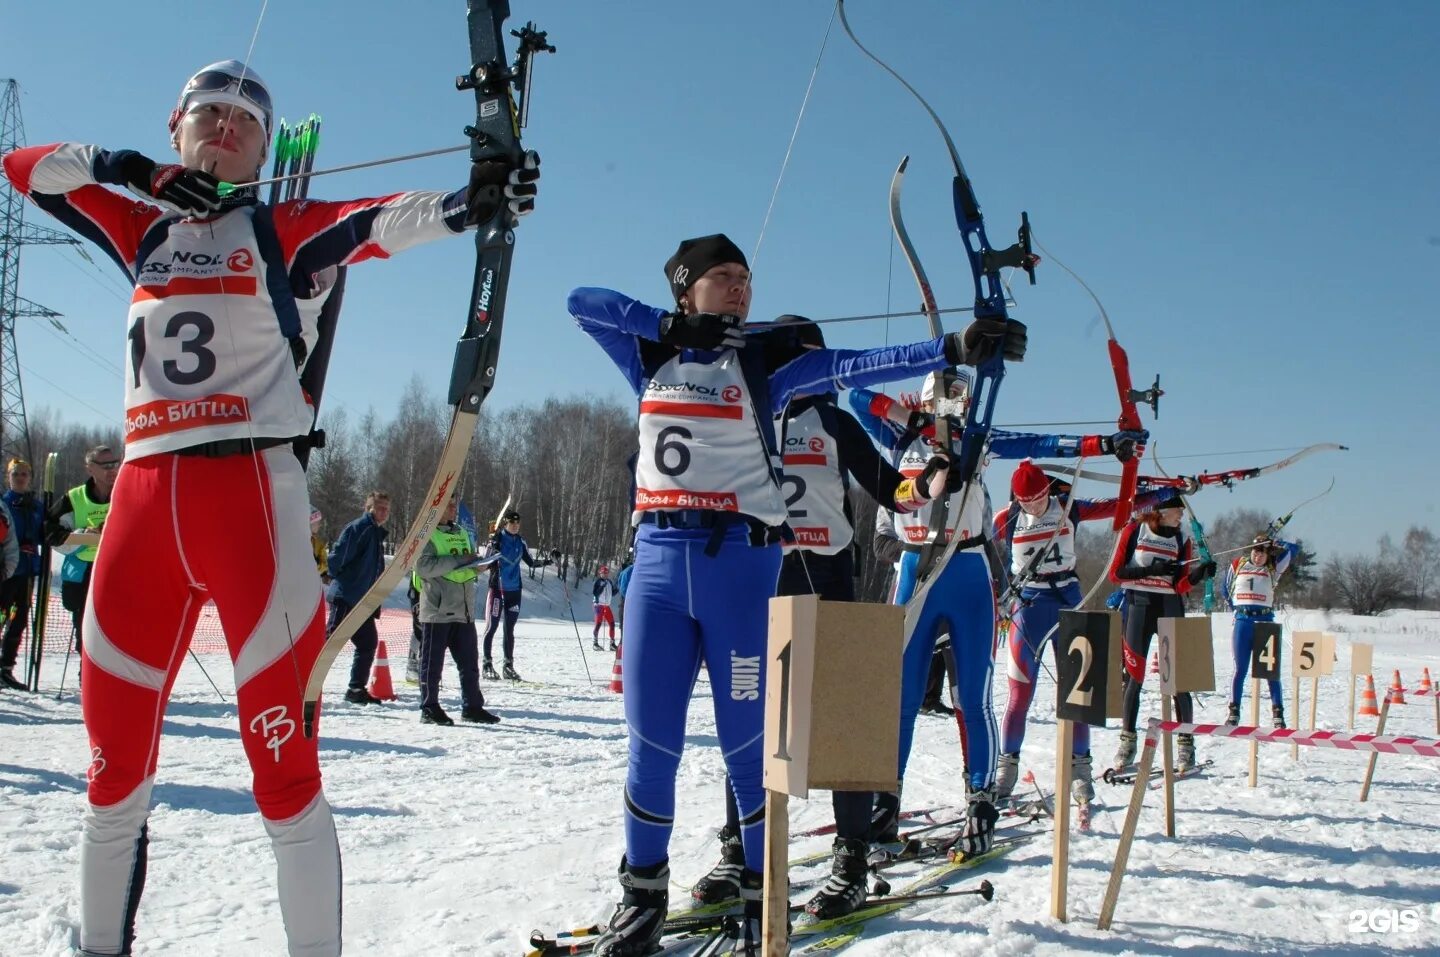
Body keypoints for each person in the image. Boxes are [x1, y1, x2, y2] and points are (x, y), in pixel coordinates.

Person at [2, 56, 539, 956]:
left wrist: (474, 198)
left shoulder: (280, 226)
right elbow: (22, 167)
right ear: (176, 128)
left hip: (253, 510)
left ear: (263, 149)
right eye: (208, 114)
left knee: (286, 783)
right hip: (139, 514)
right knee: (111, 785)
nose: (227, 127)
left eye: (246, 121)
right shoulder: (137, 222)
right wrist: (136, 170)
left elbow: (376, 223)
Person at [568, 233, 1022, 956]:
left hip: (756, 571)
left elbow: (860, 369)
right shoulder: (653, 355)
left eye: (748, 278)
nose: (742, 287)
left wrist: (954, 350)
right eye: (724, 277)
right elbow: (581, 304)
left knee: (758, 743)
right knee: (651, 746)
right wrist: (665, 326)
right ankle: (643, 893)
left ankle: (770, 881)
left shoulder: (779, 379)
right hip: (659, 561)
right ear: (688, 288)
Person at [689, 317, 951, 921]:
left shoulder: (834, 422)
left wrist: (933, 477)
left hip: (827, 577)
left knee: (843, 719)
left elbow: (893, 489)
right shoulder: (746, 417)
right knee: (750, 719)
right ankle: (740, 849)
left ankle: (852, 856)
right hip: (759, 582)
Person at [851, 376, 1144, 856]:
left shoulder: (976, 439)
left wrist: (1107, 444)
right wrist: (909, 418)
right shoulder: (900, 436)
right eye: (944, 398)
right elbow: (858, 400)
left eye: (961, 398)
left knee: (973, 696)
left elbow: (1041, 443)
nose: (955, 406)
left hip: (966, 570)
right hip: (915, 568)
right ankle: (886, 800)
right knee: (900, 696)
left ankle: (981, 801)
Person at [991, 460, 1178, 807]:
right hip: (1027, 606)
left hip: (1067, 601)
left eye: (1037, 499)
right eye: (1024, 501)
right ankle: (1006, 769)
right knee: (1019, 693)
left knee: (1077, 693)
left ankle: (1080, 771)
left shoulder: (1069, 508)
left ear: (1048, 490)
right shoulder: (1006, 519)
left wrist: (1162, 495)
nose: (1031, 506)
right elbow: (981, 548)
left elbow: (1117, 507)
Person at [1107, 497, 1218, 773]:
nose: (1181, 516)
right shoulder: (1135, 531)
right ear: (1161, 512)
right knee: (1133, 677)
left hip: (1169, 605)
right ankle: (1128, 740)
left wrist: (1198, 575)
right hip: (1139, 605)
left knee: (1179, 680)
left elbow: (1179, 584)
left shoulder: (1181, 540)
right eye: (1177, 512)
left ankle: (1185, 744)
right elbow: (1115, 574)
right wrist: (1150, 570)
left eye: (1182, 512)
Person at [414, 495, 500, 726]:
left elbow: (465, 564)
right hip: (437, 610)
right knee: (432, 664)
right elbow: (422, 566)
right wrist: (457, 560)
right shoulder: (426, 534)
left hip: (464, 609)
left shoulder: (461, 532)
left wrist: (478, 566)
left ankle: (472, 706)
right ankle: (429, 707)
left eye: (454, 505)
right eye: (449, 505)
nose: (454, 509)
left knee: (469, 664)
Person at [44, 445, 120, 657]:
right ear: (90, 469)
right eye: (106, 465)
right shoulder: (74, 498)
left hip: (118, 571)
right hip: (83, 573)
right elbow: (50, 531)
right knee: (85, 629)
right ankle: (86, 677)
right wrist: (82, 534)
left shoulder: (125, 494)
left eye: (115, 463)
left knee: (117, 627)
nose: (112, 469)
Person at [1223, 533, 1300, 727]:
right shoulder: (1238, 564)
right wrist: (1236, 607)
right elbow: (1225, 588)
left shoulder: (1273, 568)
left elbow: (1294, 550)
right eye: (1256, 552)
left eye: (1263, 554)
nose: (1258, 557)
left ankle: (1278, 713)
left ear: (1268, 555)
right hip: (1243, 621)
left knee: (1270, 671)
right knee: (1240, 669)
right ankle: (1234, 711)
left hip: (1265, 621)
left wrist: (1279, 543)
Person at [328, 492, 392, 705]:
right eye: (379, 507)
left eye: (386, 508)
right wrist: (340, 579)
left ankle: (356, 688)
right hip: (347, 596)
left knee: (367, 642)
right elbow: (337, 558)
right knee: (329, 641)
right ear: (369, 507)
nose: (384, 512)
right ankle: (301, 680)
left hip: (363, 601)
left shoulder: (376, 533)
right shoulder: (359, 529)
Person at [480, 509, 553, 681]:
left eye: (517, 523)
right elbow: (485, 562)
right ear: (505, 523)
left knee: (509, 629)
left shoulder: (520, 542)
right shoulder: (497, 539)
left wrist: (550, 560)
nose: (515, 526)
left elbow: (531, 562)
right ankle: (487, 664)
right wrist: (492, 547)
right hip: (498, 588)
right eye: (512, 523)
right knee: (492, 626)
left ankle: (508, 665)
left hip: (514, 591)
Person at [0, 457, 44, 689]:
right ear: (9, 477)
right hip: (7, 570)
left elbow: (43, 532)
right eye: (15, 474)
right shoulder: (3, 503)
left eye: (24, 474)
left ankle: (6, 667)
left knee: (19, 620)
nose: (20, 478)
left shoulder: (36, 506)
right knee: (2, 616)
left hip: (27, 570)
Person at [592, 564, 618, 651]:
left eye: (606, 573)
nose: (605, 575)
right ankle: (595, 643)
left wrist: (617, 589)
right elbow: (595, 593)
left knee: (612, 623)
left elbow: (612, 594)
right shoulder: (598, 582)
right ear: (600, 573)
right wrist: (602, 587)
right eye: (603, 573)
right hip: (598, 605)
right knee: (598, 624)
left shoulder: (609, 582)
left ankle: (612, 643)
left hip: (607, 606)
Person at [615, 552, 634, 646]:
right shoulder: (628, 571)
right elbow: (622, 588)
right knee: (625, 627)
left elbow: (618, 584)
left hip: (626, 604)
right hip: (626, 604)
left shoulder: (626, 571)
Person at [309, 509, 330, 585]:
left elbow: (323, 560)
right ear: (310, 524)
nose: (319, 525)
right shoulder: (310, 541)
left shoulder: (316, 541)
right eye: (317, 522)